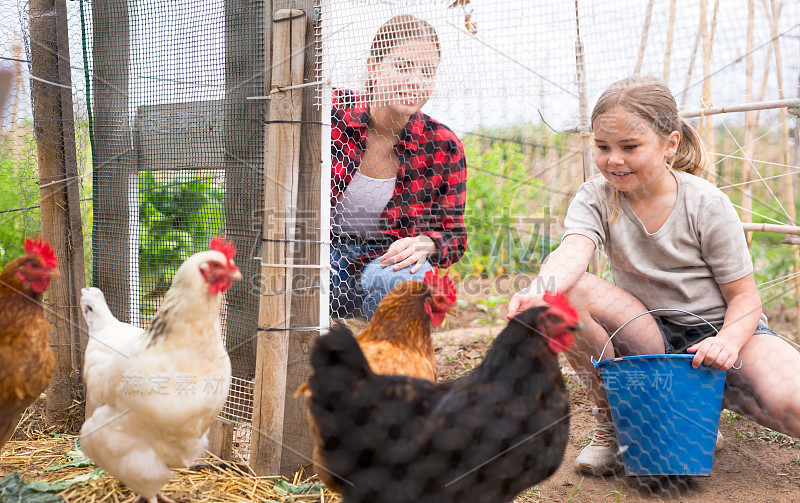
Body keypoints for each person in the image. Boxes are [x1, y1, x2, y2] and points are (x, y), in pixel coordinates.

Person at [507, 76, 800, 475]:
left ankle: (693, 413)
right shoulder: (596, 196)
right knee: (567, 293)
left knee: (791, 405)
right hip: (646, 334)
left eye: (630, 147)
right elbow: (573, 250)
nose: (614, 160)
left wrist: (727, 343)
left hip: (724, 331)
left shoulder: (706, 204)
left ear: (670, 145)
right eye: (603, 147)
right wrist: (540, 290)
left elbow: (746, 299)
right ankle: (613, 423)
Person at [330, 15, 467, 319]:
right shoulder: (330, 115)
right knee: (291, 278)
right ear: (373, 67)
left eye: (426, 71)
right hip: (322, 252)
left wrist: (425, 243)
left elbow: (454, 235)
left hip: (386, 259)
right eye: (403, 66)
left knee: (404, 282)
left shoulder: (443, 145)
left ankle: (397, 364)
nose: (415, 80)